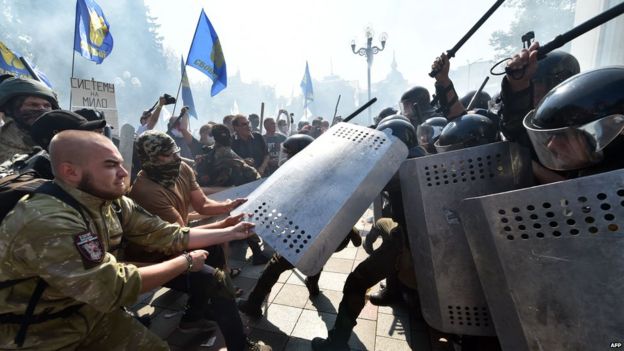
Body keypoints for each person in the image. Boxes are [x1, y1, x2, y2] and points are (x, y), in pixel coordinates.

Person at [0, 130, 259, 350]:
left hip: (89, 311)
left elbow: (168, 233)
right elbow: (113, 287)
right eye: (110, 165)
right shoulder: (48, 221)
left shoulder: (114, 202)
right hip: (36, 331)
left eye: (122, 163)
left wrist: (231, 231)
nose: (125, 173)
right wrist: (186, 262)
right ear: (70, 172)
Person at [127, 130, 268, 350]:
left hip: (177, 240)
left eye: (176, 151)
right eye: (168, 155)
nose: (176, 158)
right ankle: (240, 346)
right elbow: (180, 238)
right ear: (150, 160)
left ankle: (194, 317)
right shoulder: (147, 191)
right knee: (215, 280)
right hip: (155, 257)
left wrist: (229, 206)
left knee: (215, 252)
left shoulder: (181, 168)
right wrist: (225, 227)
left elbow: (202, 204)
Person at [312, 117, 422, 351]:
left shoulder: (399, 167)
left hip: (409, 241)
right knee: (383, 225)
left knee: (356, 282)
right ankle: (393, 290)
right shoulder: (420, 156)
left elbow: (353, 181)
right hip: (412, 231)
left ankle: (337, 343)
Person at [238, 134, 362, 320]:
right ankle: (313, 286)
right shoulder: (328, 172)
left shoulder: (303, 178)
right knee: (317, 258)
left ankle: (253, 305)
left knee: (273, 268)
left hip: (310, 235)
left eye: (289, 154)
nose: (286, 158)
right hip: (331, 237)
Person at [0, 76, 59, 163]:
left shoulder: (59, 141)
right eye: (33, 105)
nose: (42, 109)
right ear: (9, 109)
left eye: (47, 106)